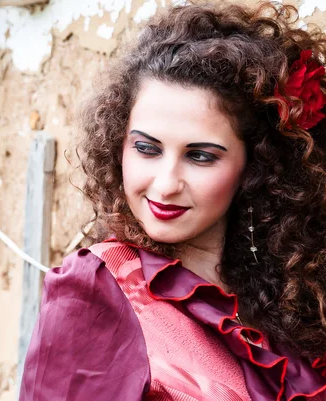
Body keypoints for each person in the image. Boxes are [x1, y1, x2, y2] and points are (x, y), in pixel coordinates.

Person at [19, 2, 326, 400]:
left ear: (257, 167)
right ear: (118, 146)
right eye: (147, 148)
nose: (165, 186)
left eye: (200, 156)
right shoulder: (98, 289)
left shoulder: (294, 295)